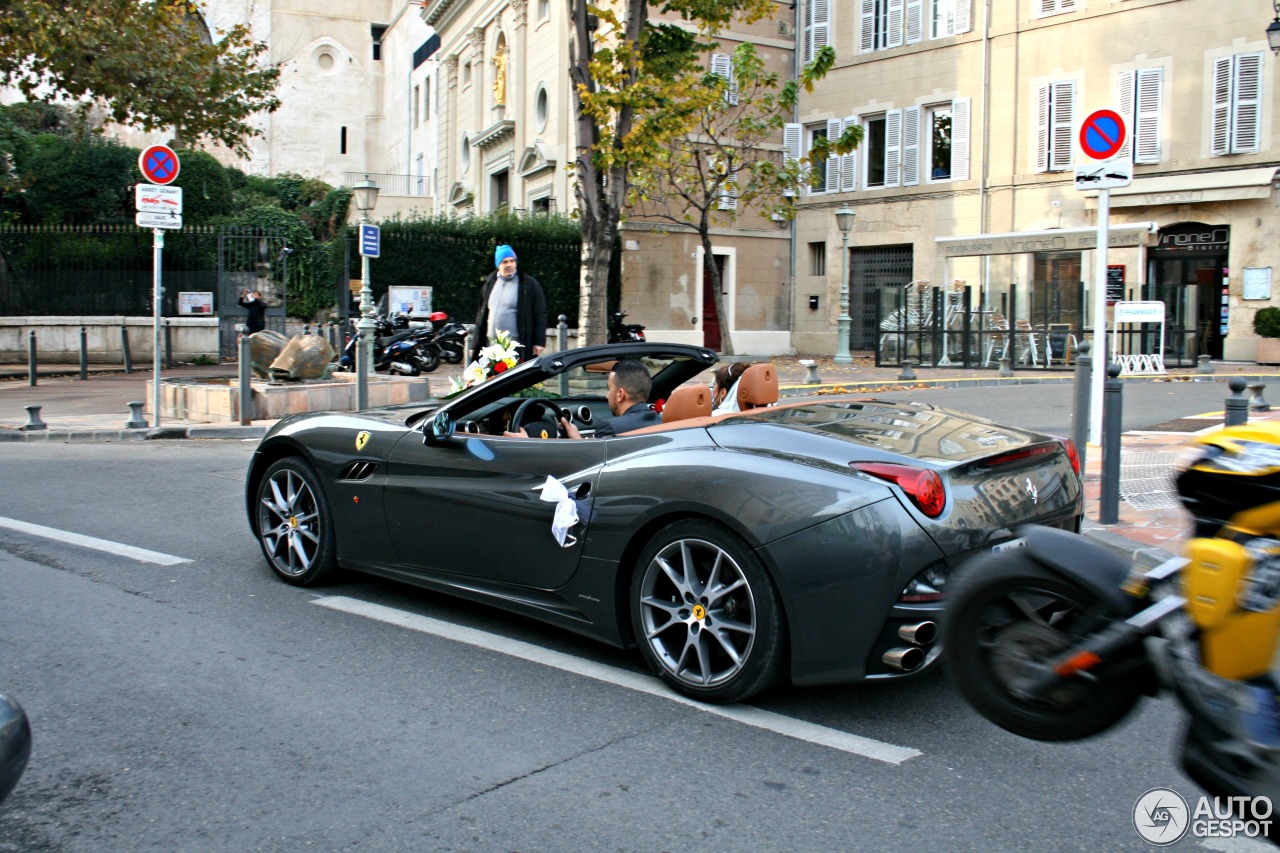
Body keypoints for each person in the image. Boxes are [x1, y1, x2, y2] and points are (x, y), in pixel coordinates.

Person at [472, 244, 547, 363]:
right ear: (498, 265)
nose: (509, 265)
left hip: (517, 347)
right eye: (505, 262)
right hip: (491, 346)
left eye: (512, 261)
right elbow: (480, 316)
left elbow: (539, 313)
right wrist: (474, 344)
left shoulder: (528, 284)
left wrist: (539, 341)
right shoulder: (489, 284)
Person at [562, 359, 660, 438]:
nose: (607, 396)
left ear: (619, 394)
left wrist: (576, 439)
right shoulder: (662, 421)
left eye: (609, 389)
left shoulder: (610, 428)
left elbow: (594, 461)